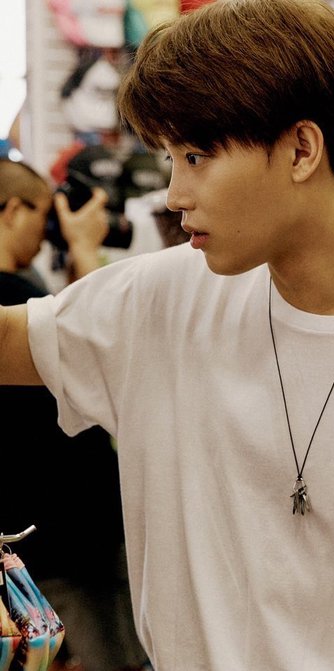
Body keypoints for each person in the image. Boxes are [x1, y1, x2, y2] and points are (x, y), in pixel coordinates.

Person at [1, 1, 334, 668]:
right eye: (171, 158)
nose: (174, 193)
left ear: (301, 149)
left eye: (196, 156)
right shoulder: (160, 300)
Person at [0, 158, 149, 671]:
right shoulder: (15, 301)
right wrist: (84, 248)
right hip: (75, 546)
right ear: (13, 211)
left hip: (34, 544)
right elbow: (108, 353)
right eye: (45, 216)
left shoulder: (22, 297)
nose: (49, 232)